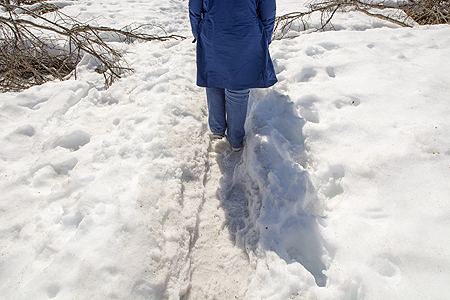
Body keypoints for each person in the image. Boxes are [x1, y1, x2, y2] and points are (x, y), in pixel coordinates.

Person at [189, 0, 278, 151]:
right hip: (247, 34)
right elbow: (268, 12)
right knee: (239, 86)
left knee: (214, 77)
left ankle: (217, 129)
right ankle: (235, 140)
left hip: (212, 31)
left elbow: (194, 9)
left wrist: (199, 33)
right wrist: (265, 38)